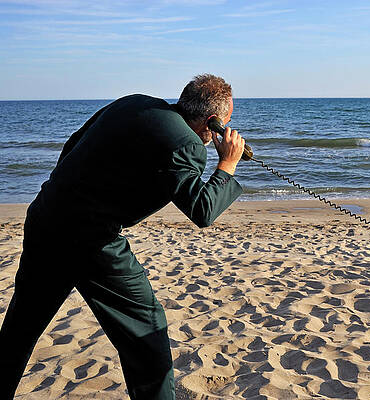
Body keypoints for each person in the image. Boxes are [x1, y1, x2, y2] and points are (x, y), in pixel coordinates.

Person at [0, 74, 245, 399]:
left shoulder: (135, 102)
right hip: (91, 239)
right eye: (225, 122)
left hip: (45, 216)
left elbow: (73, 143)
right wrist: (227, 163)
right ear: (212, 122)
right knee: (147, 330)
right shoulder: (186, 144)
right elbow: (202, 210)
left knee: (21, 328)